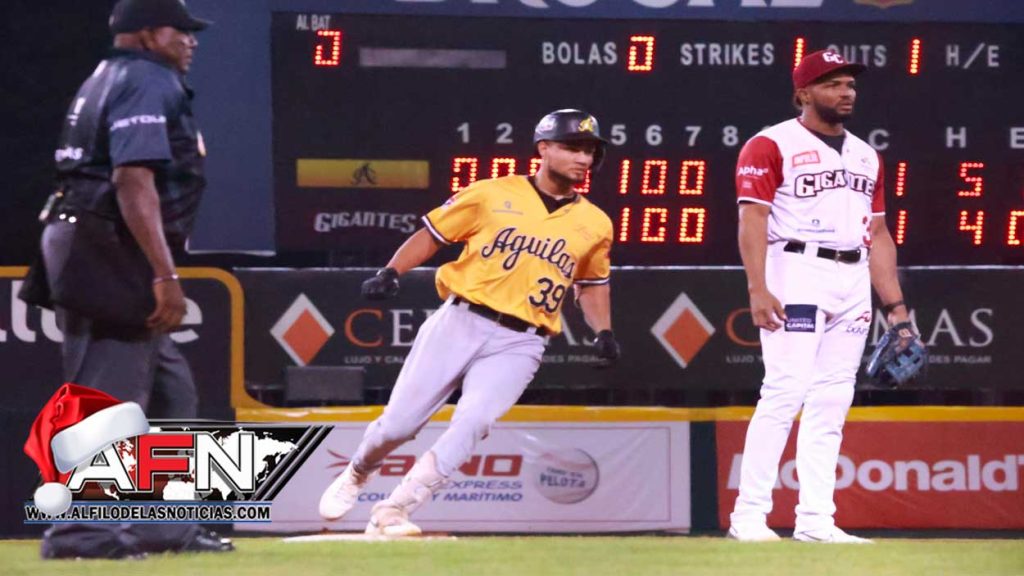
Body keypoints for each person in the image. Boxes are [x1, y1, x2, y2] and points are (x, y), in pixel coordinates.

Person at [318, 109, 621, 536]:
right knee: (399, 426)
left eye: (590, 150)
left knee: (475, 422)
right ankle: (356, 472)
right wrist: (392, 271)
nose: (583, 158)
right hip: (462, 319)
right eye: (573, 147)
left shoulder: (596, 223)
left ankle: (396, 508)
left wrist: (603, 331)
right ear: (544, 148)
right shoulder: (491, 193)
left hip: (523, 341)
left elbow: (591, 284)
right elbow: (433, 234)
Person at [33, 0, 232, 559]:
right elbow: (132, 178)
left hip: (89, 234)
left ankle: (160, 527)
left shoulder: (108, 75)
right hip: (108, 245)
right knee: (107, 396)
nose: (191, 40)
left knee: (171, 392)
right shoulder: (147, 80)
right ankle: (81, 533)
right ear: (146, 34)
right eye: (181, 30)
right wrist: (164, 272)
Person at [728, 50, 917, 543]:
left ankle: (816, 521)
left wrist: (897, 310)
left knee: (833, 399)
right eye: (832, 83)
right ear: (803, 93)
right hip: (795, 267)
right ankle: (749, 516)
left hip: (852, 277)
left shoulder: (866, 155)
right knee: (785, 390)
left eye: (849, 83)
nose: (846, 92)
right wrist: (758, 287)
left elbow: (879, 234)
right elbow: (752, 218)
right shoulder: (771, 144)